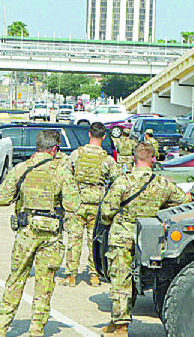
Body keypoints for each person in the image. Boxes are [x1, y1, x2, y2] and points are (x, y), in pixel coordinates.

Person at [0, 129, 78, 337]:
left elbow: (2, 198)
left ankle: (0, 328)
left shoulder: (22, 168)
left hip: (26, 232)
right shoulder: (61, 171)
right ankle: (36, 330)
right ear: (55, 149)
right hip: (50, 235)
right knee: (44, 283)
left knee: (16, 279)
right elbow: (73, 204)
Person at [99, 142, 188, 336]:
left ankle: (121, 326)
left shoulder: (123, 181)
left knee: (121, 280)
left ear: (133, 158)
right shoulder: (162, 183)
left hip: (122, 237)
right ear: (154, 159)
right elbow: (183, 201)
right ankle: (118, 321)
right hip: (149, 239)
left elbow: (106, 212)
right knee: (139, 280)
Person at [62, 121, 120, 287]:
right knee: (93, 240)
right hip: (97, 203)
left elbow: (65, 175)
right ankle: (94, 276)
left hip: (77, 202)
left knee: (74, 239)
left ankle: (71, 276)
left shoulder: (76, 154)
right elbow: (117, 180)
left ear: (89, 134)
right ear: (103, 137)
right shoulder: (107, 159)